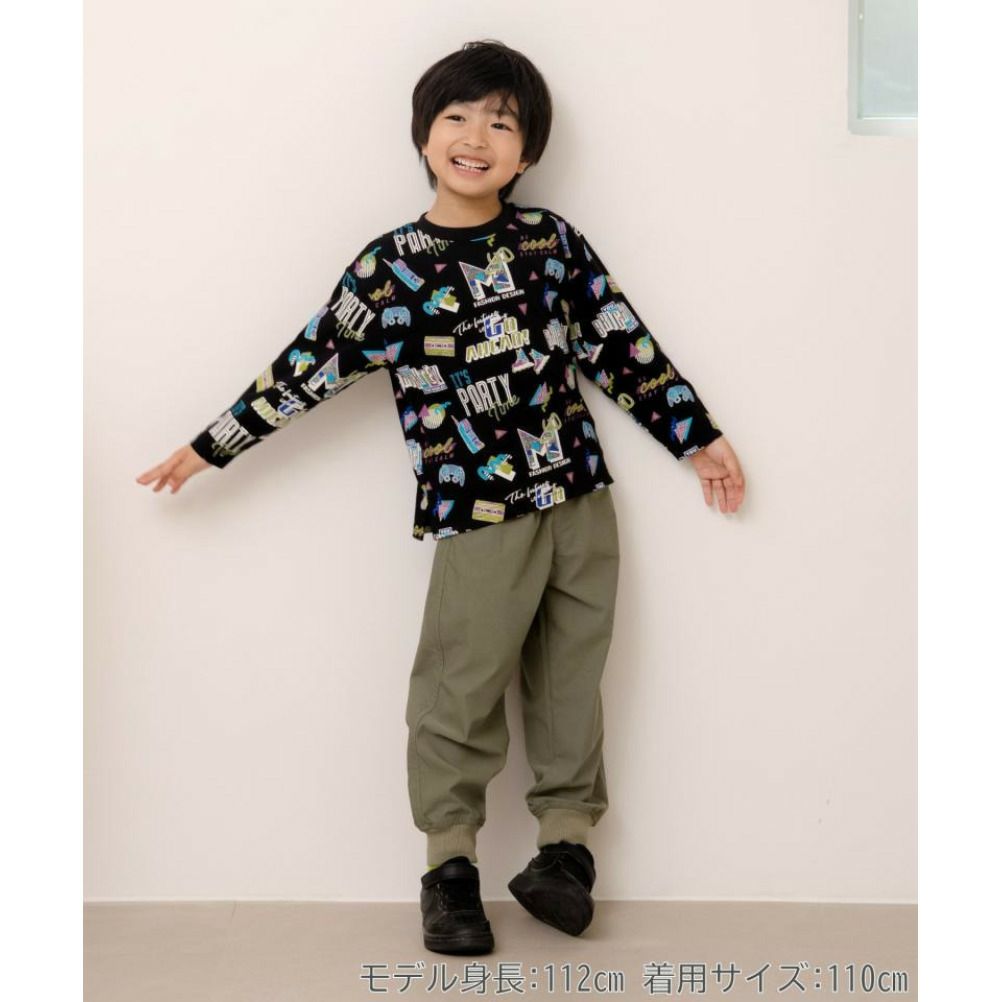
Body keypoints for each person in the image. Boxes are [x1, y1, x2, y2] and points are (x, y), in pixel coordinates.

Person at [136, 39, 746, 955]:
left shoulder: (550, 243)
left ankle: (564, 854)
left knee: (572, 681)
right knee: (459, 686)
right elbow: (307, 366)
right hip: (479, 509)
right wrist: (208, 448)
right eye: (457, 118)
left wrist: (695, 436)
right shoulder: (392, 268)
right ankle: (449, 869)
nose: (476, 138)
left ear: (527, 151)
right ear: (424, 136)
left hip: (580, 497)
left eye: (502, 123)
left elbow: (621, 343)